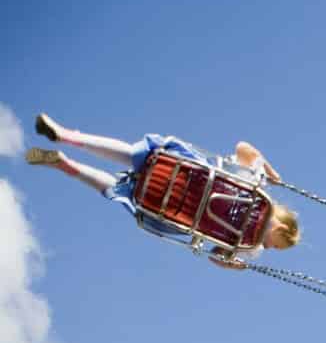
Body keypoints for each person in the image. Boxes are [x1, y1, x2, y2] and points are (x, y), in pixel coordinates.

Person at [22, 113, 299, 265]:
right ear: (280, 230)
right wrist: (231, 265)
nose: (270, 248)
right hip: (176, 211)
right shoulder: (251, 248)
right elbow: (215, 254)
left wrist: (269, 171)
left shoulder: (257, 188)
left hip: (186, 175)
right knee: (121, 194)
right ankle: (68, 166)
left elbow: (242, 147)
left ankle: (66, 136)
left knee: (134, 154)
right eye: (277, 245)